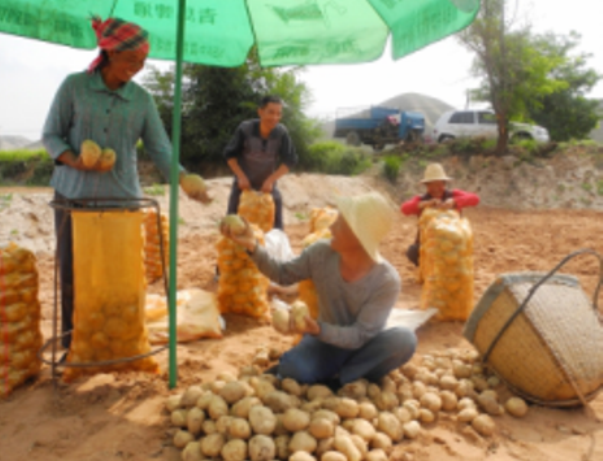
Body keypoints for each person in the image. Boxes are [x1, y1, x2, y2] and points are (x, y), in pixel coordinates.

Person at [42, 17, 208, 351]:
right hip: (74, 197)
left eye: (142, 62)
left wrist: (184, 179)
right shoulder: (74, 87)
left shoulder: (142, 100)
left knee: (121, 275)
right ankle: (75, 341)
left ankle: (117, 339)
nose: (137, 68)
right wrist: (75, 159)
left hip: (121, 199)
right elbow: (50, 135)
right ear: (109, 52)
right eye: (131, 60)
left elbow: (160, 148)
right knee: (75, 274)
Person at [220, 192, 417, 388]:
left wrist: (317, 329)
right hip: (325, 342)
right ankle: (348, 376)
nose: (331, 227)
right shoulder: (321, 253)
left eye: (339, 224)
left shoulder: (386, 281)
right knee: (291, 369)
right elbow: (282, 274)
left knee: (404, 340)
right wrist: (252, 246)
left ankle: (337, 379)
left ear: (359, 235)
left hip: (365, 346)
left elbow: (360, 335)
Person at [224, 95, 298, 230]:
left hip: (267, 187)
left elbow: (290, 160)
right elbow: (230, 155)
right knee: (231, 225)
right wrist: (241, 177)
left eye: (278, 114)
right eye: (271, 112)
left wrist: (270, 180)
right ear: (260, 112)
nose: (275, 117)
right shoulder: (245, 129)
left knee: (277, 228)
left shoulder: (281, 132)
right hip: (243, 185)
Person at [401, 163, 479, 267]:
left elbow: (475, 199)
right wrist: (424, 204)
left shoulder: (453, 195)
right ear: (426, 186)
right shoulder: (422, 199)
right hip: (429, 244)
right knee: (413, 252)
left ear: (444, 183)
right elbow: (404, 209)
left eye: (439, 185)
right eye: (431, 185)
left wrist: (455, 201)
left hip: (453, 243)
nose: (435, 188)